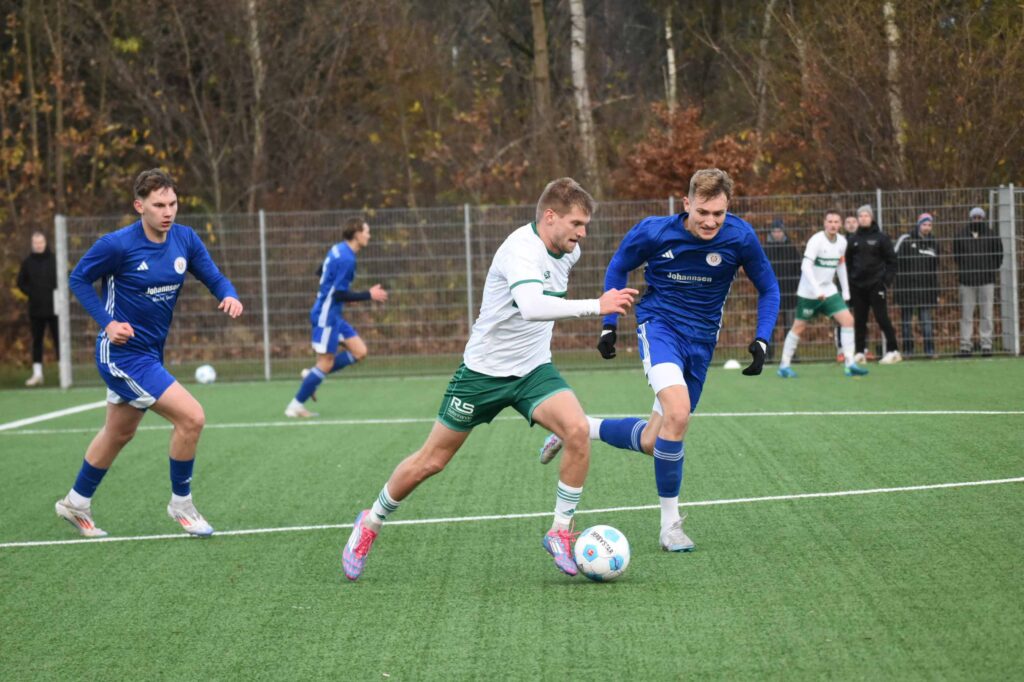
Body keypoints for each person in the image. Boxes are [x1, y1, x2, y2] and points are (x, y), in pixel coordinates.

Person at [340, 178, 637, 581]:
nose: (583, 233)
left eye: (585, 225)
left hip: (533, 370)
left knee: (579, 431)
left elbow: (543, 308)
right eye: (576, 223)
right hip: (483, 374)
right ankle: (369, 523)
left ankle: (560, 532)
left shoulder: (570, 251)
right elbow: (532, 307)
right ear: (550, 216)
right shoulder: (520, 251)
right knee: (432, 461)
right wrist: (596, 306)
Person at [540, 169, 779, 552]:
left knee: (656, 439)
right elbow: (619, 265)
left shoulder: (740, 237)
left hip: (702, 345)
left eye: (719, 213)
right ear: (686, 204)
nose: (710, 221)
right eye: (703, 211)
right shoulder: (654, 232)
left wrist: (763, 338)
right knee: (678, 413)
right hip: (660, 328)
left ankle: (579, 427)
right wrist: (608, 324)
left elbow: (769, 287)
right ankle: (671, 526)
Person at [57, 169, 243, 538]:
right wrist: (108, 322)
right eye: (159, 205)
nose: (167, 211)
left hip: (150, 355)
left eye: (172, 203)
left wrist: (229, 293)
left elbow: (213, 276)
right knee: (192, 418)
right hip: (122, 355)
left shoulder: (185, 240)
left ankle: (76, 502)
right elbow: (78, 278)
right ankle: (182, 505)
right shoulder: (117, 245)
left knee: (118, 433)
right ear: (139, 206)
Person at [284, 218, 388, 418]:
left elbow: (320, 272)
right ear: (357, 233)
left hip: (333, 313)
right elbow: (339, 293)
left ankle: (311, 377)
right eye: (366, 231)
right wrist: (369, 295)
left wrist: (337, 294)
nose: (369, 235)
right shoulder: (347, 259)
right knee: (326, 362)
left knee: (360, 351)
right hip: (326, 316)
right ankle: (295, 406)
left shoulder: (338, 249)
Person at [776, 210, 868, 378]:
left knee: (848, 321)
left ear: (840, 225)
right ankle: (784, 365)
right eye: (830, 221)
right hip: (809, 292)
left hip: (829, 290)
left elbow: (840, 266)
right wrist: (816, 289)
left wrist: (846, 291)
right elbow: (805, 267)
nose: (833, 225)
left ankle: (850, 363)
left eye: (836, 222)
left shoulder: (841, 242)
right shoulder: (816, 240)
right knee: (799, 327)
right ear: (825, 223)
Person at [847, 204, 901, 364]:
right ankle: (859, 352)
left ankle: (893, 350)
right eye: (861, 216)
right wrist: (851, 283)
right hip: (858, 287)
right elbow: (848, 263)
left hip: (876, 285)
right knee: (859, 320)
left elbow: (892, 262)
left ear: (871, 218)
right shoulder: (853, 240)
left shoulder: (881, 238)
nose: (863, 218)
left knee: (881, 317)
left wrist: (885, 282)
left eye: (866, 216)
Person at [953, 207, 1003, 357]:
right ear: (970, 218)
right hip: (967, 282)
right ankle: (965, 346)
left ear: (984, 218)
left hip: (986, 281)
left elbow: (998, 256)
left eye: (979, 217)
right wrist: (966, 270)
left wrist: (989, 270)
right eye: (974, 217)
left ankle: (986, 345)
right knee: (966, 315)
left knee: (986, 314)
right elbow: (957, 257)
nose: (977, 220)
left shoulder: (992, 236)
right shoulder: (960, 236)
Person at [894, 213, 940, 358]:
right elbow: (894, 260)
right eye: (924, 224)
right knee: (907, 322)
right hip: (907, 289)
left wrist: (935, 290)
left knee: (926, 321)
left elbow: (935, 268)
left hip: (926, 290)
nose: (927, 228)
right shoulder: (906, 239)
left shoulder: (934, 242)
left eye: (929, 225)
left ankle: (929, 351)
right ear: (918, 224)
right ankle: (908, 351)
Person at [17, 231, 59, 386]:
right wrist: (32, 293)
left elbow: (65, 277)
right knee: (37, 341)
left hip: (55, 308)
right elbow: (20, 282)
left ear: (45, 242)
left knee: (59, 340)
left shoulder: (55, 260)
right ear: (32, 244)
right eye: (36, 243)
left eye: (41, 242)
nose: (39, 245)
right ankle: (37, 374)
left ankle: (64, 373)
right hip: (36, 309)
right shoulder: (27, 262)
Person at [762, 218, 800, 363]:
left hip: (790, 293)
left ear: (783, 232)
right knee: (769, 326)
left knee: (790, 326)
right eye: (775, 231)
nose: (777, 233)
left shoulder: (791, 248)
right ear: (771, 232)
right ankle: (767, 356)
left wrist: (796, 287)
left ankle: (791, 356)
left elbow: (798, 269)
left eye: (779, 231)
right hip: (770, 294)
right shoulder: (765, 249)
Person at [834, 214, 860, 361]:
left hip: (860, 285)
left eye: (853, 222)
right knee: (842, 317)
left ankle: (861, 348)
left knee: (860, 317)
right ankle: (841, 350)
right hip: (842, 285)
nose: (851, 224)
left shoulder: (862, 240)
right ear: (844, 225)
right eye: (848, 222)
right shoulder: (840, 241)